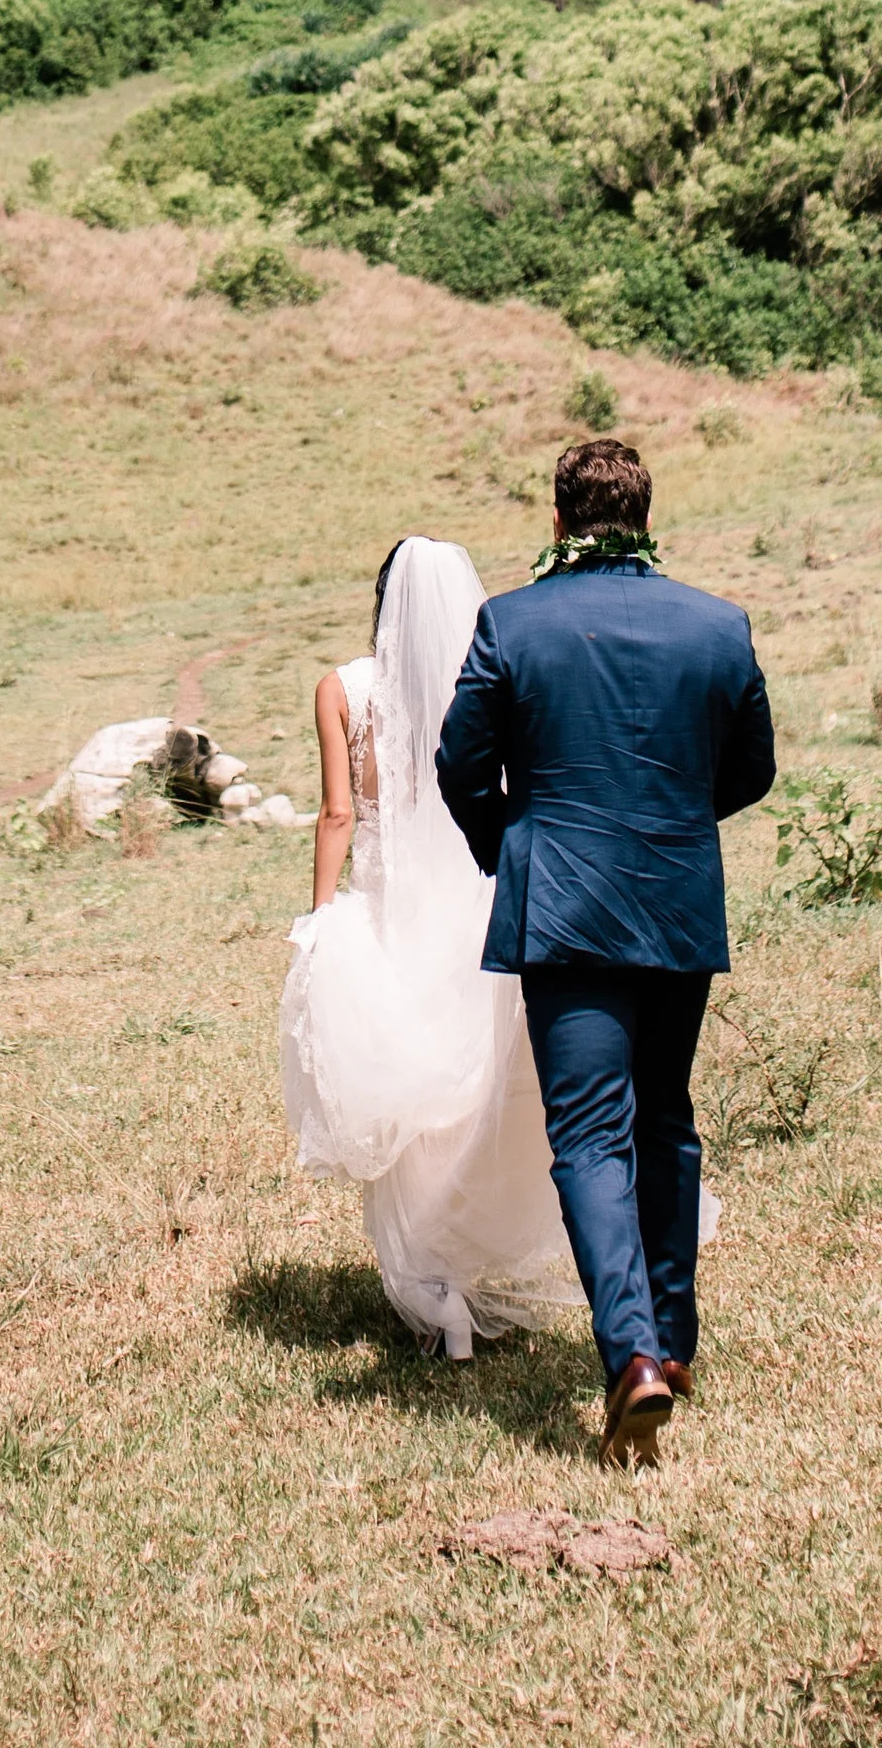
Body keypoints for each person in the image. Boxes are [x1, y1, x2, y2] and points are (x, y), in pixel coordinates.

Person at [436, 436, 776, 1467]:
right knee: (666, 1121)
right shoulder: (718, 624)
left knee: (589, 1135)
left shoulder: (510, 621)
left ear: (556, 523)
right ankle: (671, 1349)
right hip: (674, 903)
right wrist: (668, 820)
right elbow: (751, 770)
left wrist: (514, 846)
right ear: (643, 517)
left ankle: (627, 1354)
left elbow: (459, 766)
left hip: (565, 916)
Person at [278, 536, 580, 1357]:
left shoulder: (341, 689)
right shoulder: (487, 678)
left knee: (402, 1091)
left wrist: (320, 916)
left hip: (390, 912)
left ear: (383, 601)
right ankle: (455, 1268)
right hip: (476, 908)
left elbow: (339, 814)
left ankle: (432, 1285)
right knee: (468, 1086)